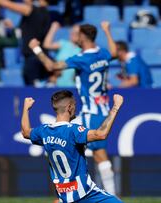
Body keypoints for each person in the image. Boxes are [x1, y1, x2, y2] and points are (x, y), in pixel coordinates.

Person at [28, 21, 117, 195]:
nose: (73, 37)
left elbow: (52, 66)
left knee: (99, 155)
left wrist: (36, 49)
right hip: (99, 109)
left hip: (92, 112)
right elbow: (114, 52)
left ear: (82, 37)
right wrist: (107, 31)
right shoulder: (103, 54)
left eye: (76, 34)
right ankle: (72, 189)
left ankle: (111, 196)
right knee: (65, 141)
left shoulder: (81, 59)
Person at [21, 90, 124, 203]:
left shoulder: (44, 131)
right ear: (69, 107)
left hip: (64, 194)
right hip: (86, 195)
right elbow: (101, 134)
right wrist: (115, 107)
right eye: (75, 105)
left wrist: (26, 108)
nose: (76, 108)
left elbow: (26, 132)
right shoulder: (73, 131)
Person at [0, 0, 51, 86]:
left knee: (32, 90)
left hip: (33, 56)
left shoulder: (33, 10)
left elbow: (7, 4)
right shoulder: (47, 13)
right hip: (41, 55)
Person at [43, 22, 81, 87]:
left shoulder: (81, 50)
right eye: (73, 32)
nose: (74, 34)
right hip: (57, 85)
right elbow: (46, 45)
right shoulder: (63, 44)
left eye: (77, 33)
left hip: (73, 86)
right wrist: (53, 29)